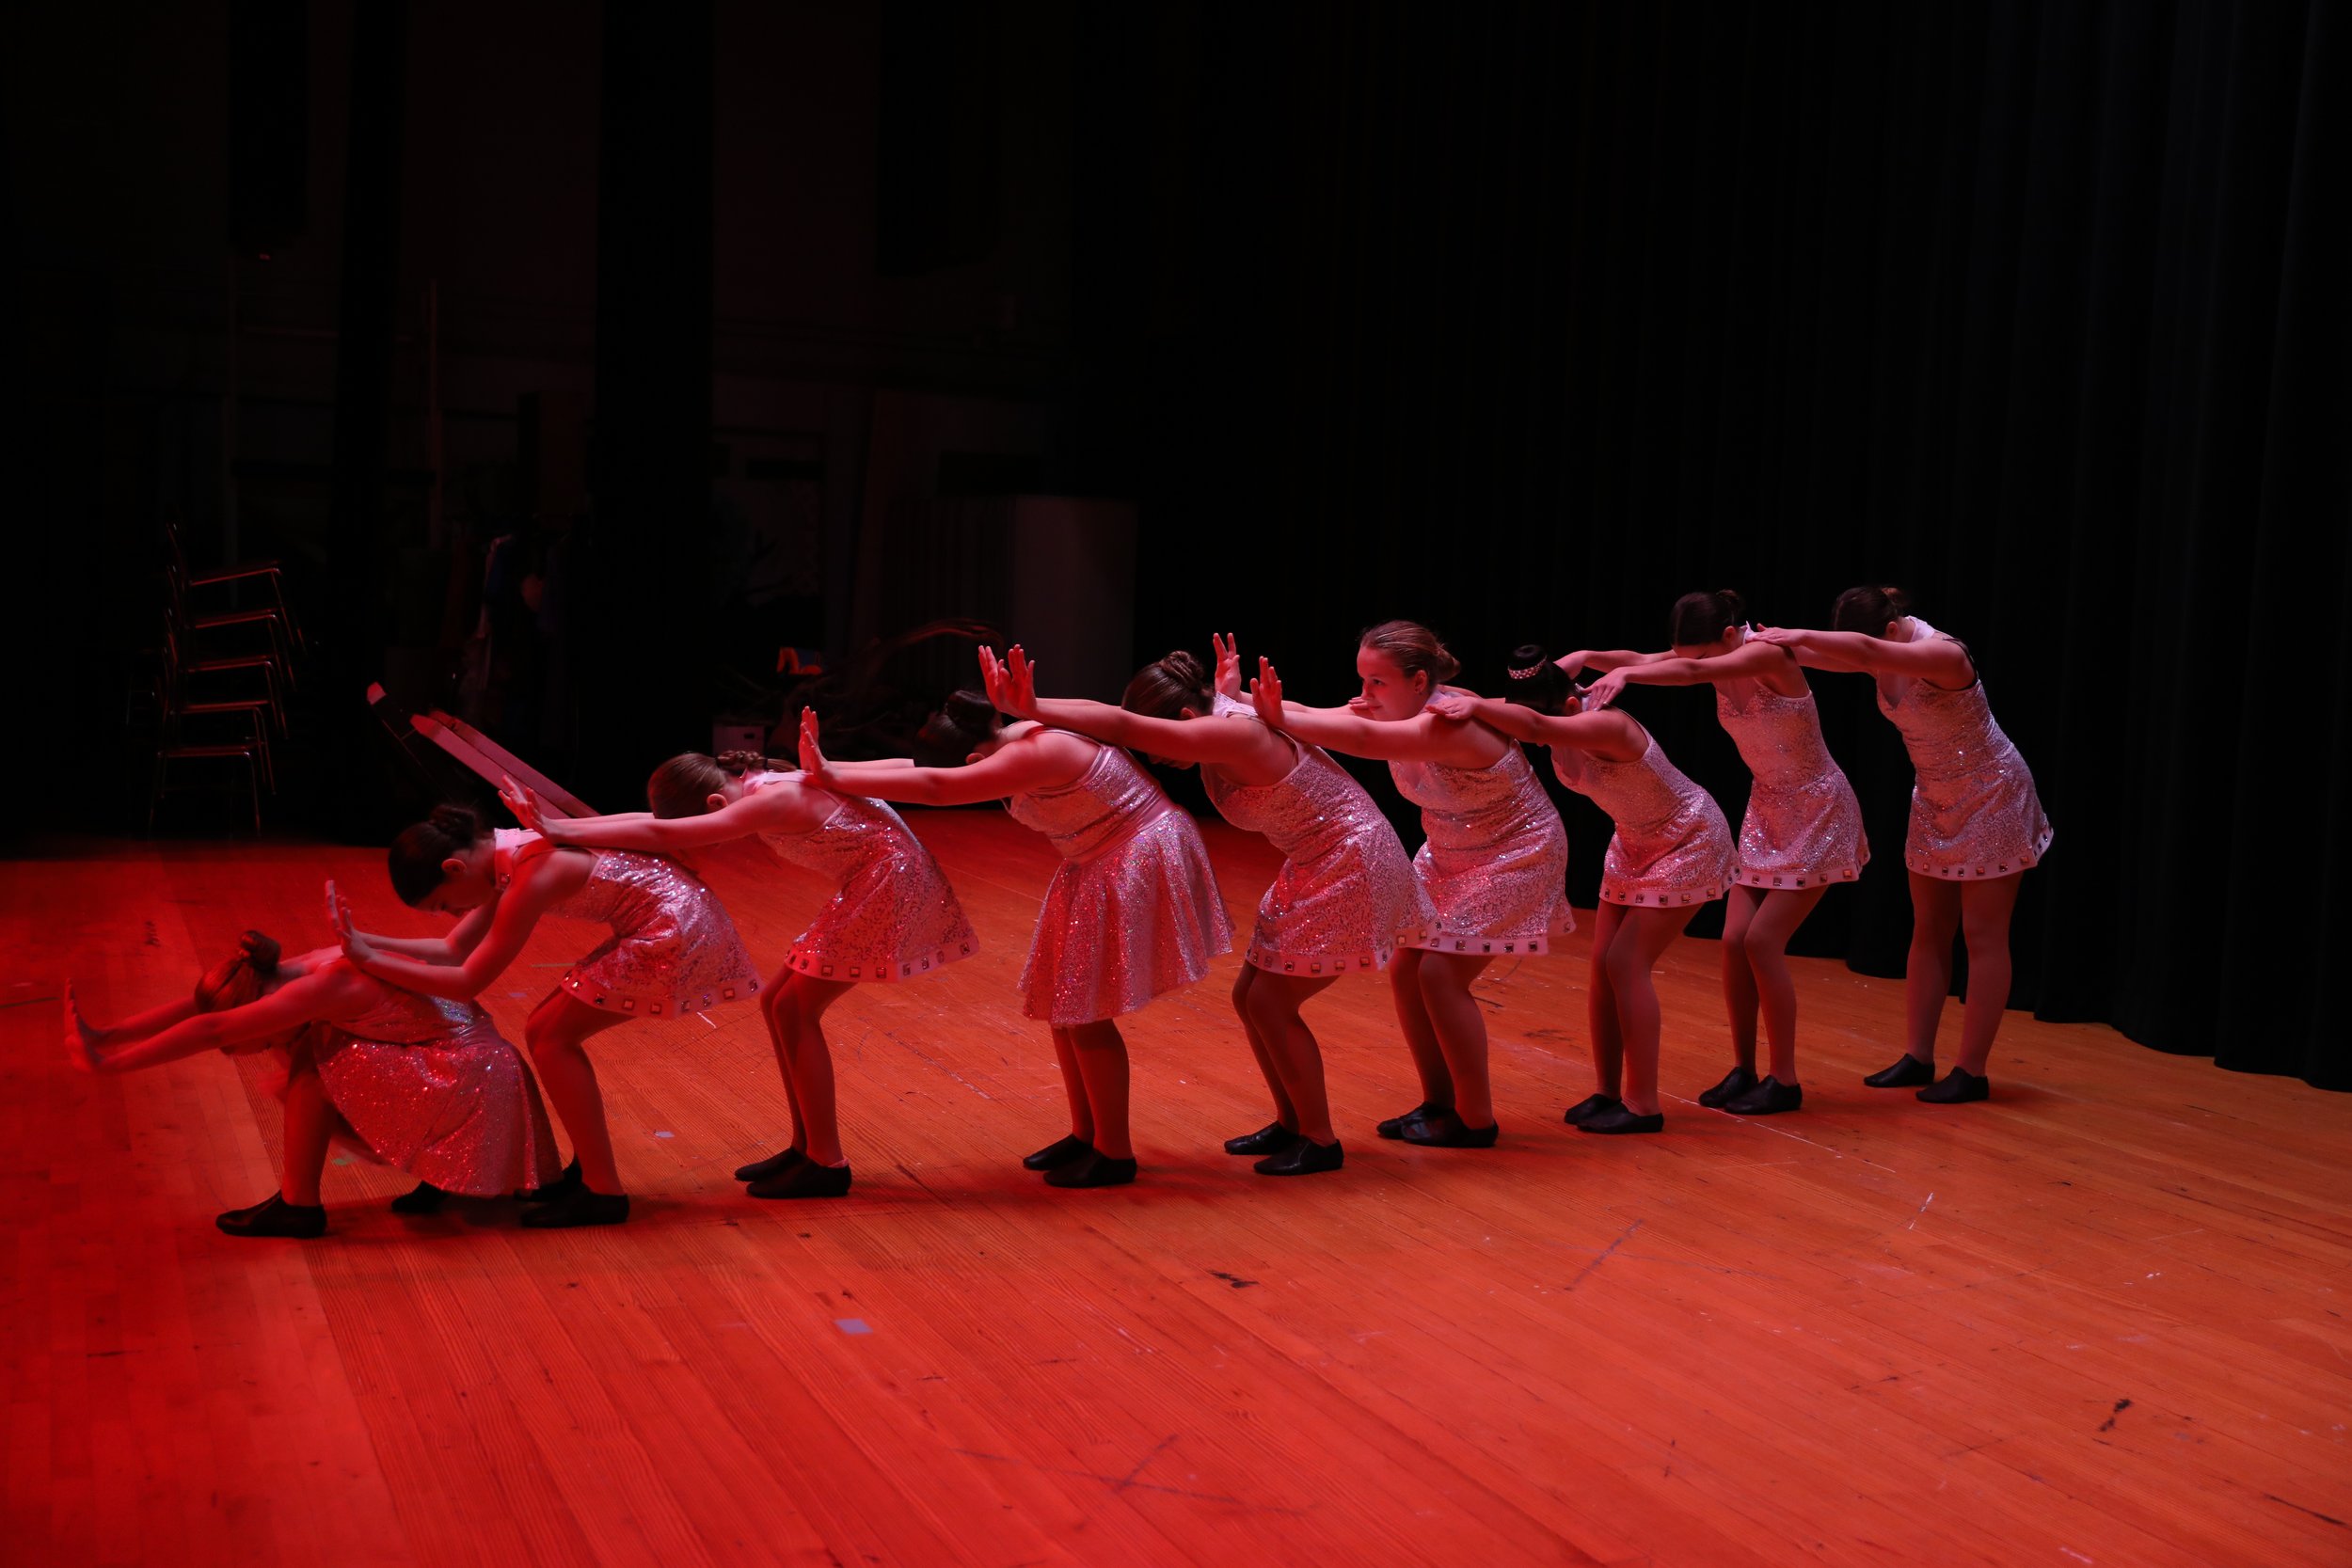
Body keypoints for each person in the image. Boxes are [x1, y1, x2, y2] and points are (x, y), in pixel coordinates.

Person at [981, 635, 1433, 1174]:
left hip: (1353, 862)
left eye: (1165, 739)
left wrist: (1030, 708)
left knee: (1270, 1002)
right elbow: (1116, 716)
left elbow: (1121, 725)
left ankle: (1319, 1138)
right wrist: (1027, 707)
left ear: (1190, 718)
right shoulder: (1224, 716)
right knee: (1251, 995)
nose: (1155, 756)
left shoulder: (1232, 730)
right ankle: (1292, 1123)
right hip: (1320, 862)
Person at [796, 679, 1232, 1188]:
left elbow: (938, 787)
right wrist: (827, 771)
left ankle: (1114, 1152)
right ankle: (1086, 1133)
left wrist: (832, 775)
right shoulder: (1003, 748)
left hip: (1134, 851)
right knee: (1064, 1003)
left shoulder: (1037, 751)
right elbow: (922, 771)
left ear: (975, 758)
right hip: (1096, 855)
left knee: (1086, 1010)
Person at [503, 746, 977, 1199]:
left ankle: (826, 1162)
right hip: (881, 878)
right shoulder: (760, 785)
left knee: (796, 1008)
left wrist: (560, 830)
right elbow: (652, 822)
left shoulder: (772, 798)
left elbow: (666, 835)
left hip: (892, 882)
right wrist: (559, 827)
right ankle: (806, 1148)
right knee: (781, 1003)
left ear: (713, 803)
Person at [330, 802, 758, 1226]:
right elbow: (451, 950)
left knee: (553, 1039)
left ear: (454, 868)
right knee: (544, 1032)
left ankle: (603, 1192)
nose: (456, 914)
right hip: (673, 918)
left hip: (677, 929)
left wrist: (369, 960)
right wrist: (363, 942)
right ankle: (593, 1173)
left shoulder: (531, 873)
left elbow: (465, 981)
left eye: (444, 905)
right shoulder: (504, 852)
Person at [1250, 621, 1572, 1148]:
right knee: (1407, 967)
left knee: (1442, 977)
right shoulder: (1391, 709)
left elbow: (1359, 738)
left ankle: (1475, 1119)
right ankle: (1438, 1101)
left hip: (1516, 851)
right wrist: (1230, 698)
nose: (1364, 694)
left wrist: (1277, 715)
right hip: (1449, 848)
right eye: (1362, 679)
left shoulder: (1447, 721)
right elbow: (1318, 716)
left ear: (1419, 681)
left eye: (1377, 682)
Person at [1572, 588, 1869, 1113]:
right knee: (1733, 942)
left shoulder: (1765, 653)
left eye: (1707, 654)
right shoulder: (1708, 654)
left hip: (1818, 808)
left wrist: (1632, 677)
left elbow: (1681, 673)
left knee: (1761, 942)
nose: (1699, 664)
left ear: (1731, 635)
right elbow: (1651, 661)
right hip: (1767, 809)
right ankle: (1745, 1068)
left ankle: (1785, 1079)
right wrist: (1588, 659)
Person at [1754, 586, 2053, 1102]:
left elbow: (1863, 653)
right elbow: (1830, 654)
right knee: (1929, 927)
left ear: (1891, 630)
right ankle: (1919, 1055)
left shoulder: (1943, 653)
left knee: (1982, 935)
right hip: (1936, 796)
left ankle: (1972, 1070)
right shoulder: (1880, 645)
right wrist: (1758, 644)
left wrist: (1800, 634)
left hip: (1993, 794)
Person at [67, 931, 561, 1237]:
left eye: (255, 1037)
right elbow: (209, 1009)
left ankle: (297, 1207)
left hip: (475, 1079)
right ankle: (428, 1178)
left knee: (316, 1062)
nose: (257, 1043)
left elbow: (213, 1027)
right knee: (315, 1048)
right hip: (473, 1067)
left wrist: (111, 1066)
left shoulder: (322, 985)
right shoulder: (292, 971)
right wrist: (109, 1034)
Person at [1432, 649, 1734, 1133]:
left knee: (1626, 963)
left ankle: (1643, 1105)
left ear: (1570, 708)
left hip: (1689, 837)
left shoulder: (1606, 724)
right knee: (1601, 966)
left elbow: (1531, 727)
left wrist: (1476, 706)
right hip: (1634, 840)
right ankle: (1608, 1091)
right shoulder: (1556, 697)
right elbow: (1532, 696)